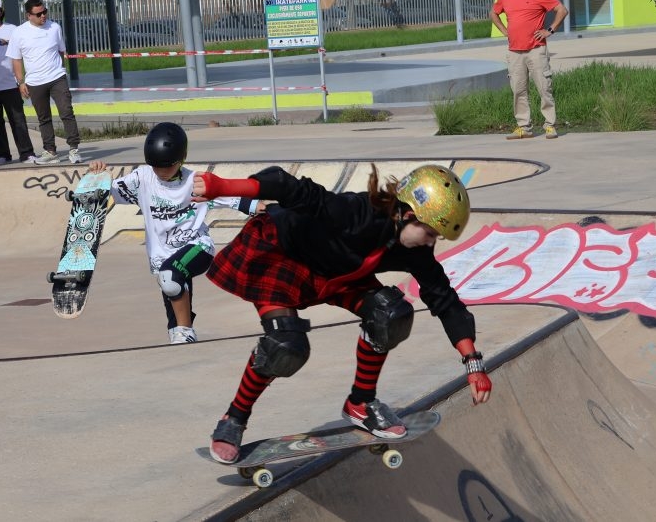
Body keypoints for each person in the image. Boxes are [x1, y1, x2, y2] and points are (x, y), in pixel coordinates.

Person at [195, 163, 492, 464]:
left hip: (339, 274)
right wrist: (221, 186)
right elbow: (288, 186)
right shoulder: (355, 213)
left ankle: (360, 402)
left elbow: (445, 299)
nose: (430, 243)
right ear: (407, 214)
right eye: (429, 233)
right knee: (286, 346)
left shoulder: (414, 249)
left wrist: (473, 364)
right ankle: (234, 418)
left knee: (390, 314)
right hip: (282, 257)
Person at [86, 123, 262, 344]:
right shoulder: (142, 178)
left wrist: (264, 207)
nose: (160, 171)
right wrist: (97, 176)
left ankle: (185, 329)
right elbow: (110, 190)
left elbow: (234, 198)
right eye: (156, 166)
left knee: (170, 278)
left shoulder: (196, 182)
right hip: (162, 258)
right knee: (172, 304)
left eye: (167, 166)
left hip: (198, 247)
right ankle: (183, 333)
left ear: (181, 159)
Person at [490, 0, 568, 141]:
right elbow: (493, 14)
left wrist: (550, 29)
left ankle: (550, 126)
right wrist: (504, 31)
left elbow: (562, 10)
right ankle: (524, 127)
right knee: (518, 90)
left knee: (544, 88)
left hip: (536, 49)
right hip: (515, 52)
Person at [7, 0, 82, 164]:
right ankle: (50, 151)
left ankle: (74, 149)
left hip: (57, 78)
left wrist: (61, 70)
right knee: (44, 118)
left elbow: (61, 51)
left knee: (66, 111)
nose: (43, 16)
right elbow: (16, 60)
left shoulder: (54, 27)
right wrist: (21, 82)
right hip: (34, 82)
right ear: (29, 15)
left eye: (45, 12)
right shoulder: (19, 32)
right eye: (39, 14)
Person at [0, 0, 38, 164]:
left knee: (18, 120)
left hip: (10, 84)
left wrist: (21, 81)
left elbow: (22, 53)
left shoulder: (14, 30)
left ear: (1, 12)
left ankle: (26, 153)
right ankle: (3, 155)